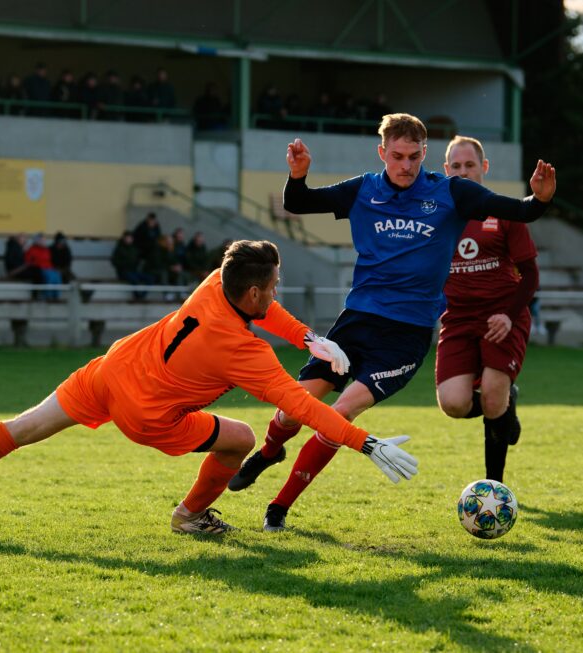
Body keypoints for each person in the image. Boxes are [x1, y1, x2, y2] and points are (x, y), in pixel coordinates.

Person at [0, 240, 419, 534]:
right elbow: (302, 405)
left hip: (113, 368)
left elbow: (265, 308)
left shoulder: (218, 280)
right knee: (239, 438)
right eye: (274, 286)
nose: (276, 293)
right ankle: (189, 517)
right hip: (147, 411)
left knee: (22, 427)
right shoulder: (244, 351)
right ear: (253, 290)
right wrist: (364, 441)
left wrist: (306, 336)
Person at [226, 113, 556, 531]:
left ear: (425, 154)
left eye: (414, 157)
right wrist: (297, 175)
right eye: (397, 156)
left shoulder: (451, 191)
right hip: (357, 323)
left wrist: (540, 200)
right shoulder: (364, 188)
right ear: (382, 152)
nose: (405, 165)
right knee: (295, 406)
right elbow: (298, 202)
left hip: (405, 336)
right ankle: (271, 451)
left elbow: (519, 210)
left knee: (339, 414)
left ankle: (279, 507)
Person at [434, 136, 540, 483]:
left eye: (470, 165)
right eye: (456, 166)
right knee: (453, 404)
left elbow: (530, 275)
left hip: (502, 316)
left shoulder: (504, 211)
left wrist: (508, 314)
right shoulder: (436, 215)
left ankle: (494, 490)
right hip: (458, 318)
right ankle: (508, 404)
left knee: (493, 397)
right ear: (446, 169)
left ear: (484, 168)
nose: (463, 172)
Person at [110, 230, 155, 300]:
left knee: (150, 278)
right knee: (134, 279)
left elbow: (139, 259)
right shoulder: (119, 249)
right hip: (124, 272)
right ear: (124, 238)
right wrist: (125, 264)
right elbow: (114, 261)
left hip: (134, 271)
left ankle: (142, 296)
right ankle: (137, 296)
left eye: (130, 238)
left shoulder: (134, 249)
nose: (129, 239)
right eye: (127, 238)